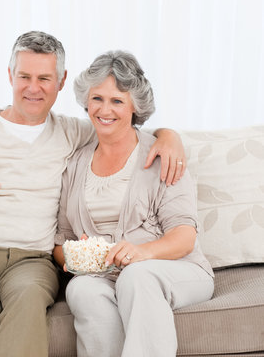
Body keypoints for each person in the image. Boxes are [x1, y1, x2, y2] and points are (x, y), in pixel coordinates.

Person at [0, 31, 186, 357]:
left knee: (27, 300)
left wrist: (170, 136)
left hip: (31, 260)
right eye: (24, 76)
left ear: (62, 81)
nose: (33, 87)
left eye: (44, 78)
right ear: (10, 75)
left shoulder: (73, 131)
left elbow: (125, 127)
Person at [53, 50, 214, 357]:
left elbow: (184, 236)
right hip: (105, 275)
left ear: (134, 107)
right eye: (97, 98)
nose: (105, 110)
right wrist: (76, 257)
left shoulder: (162, 155)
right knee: (81, 289)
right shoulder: (74, 163)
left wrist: (142, 253)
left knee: (137, 276)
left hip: (175, 268)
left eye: (117, 101)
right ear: (86, 101)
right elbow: (61, 240)